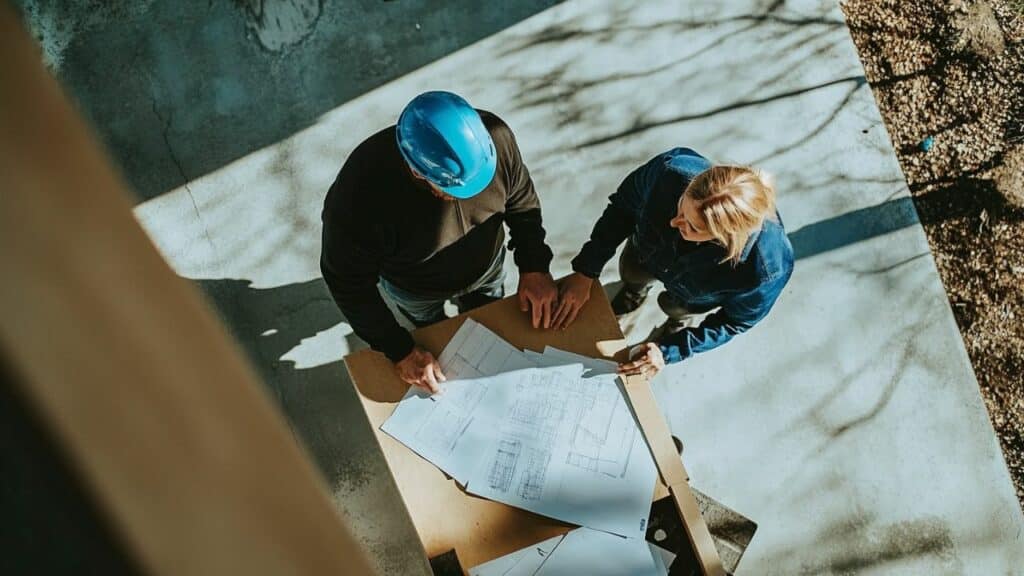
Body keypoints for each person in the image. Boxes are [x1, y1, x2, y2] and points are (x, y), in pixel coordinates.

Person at [321, 91, 558, 393]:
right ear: (416, 169)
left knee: (488, 320)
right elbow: (348, 284)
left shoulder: (496, 137)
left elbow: (521, 200)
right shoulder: (359, 198)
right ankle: (426, 323)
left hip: (487, 270)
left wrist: (534, 265)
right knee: (432, 331)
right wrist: (400, 349)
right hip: (417, 290)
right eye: (454, 190)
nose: (470, 194)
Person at [552, 147, 794, 378]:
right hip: (646, 254)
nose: (674, 223)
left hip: (692, 295)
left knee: (677, 308)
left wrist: (670, 351)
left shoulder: (766, 269)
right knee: (633, 274)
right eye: (681, 207)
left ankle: (675, 322)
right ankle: (633, 295)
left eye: (692, 227)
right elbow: (622, 209)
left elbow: (735, 321)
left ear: (726, 237)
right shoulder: (668, 171)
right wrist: (586, 271)